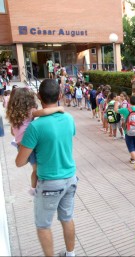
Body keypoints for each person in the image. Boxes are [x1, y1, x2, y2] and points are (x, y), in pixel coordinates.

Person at [15, 79, 78, 257]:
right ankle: (70, 254)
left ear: (39, 96)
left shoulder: (35, 127)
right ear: (59, 96)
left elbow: (20, 162)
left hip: (50, 182)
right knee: (67, 218)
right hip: (70, 179)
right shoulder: (69, 118)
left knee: (43, 225)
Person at [7, 87, 64, 195]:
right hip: (28, 145)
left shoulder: (15, 114)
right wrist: (58, 108)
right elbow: (45, 111)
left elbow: (12, 131)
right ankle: (33, 189)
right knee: (36, 169)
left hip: (19, 144)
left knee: (34, 167)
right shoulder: (30, 112)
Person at [116, 95, 135, 170]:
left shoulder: (126, 110)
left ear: (129, 101)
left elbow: (116, 110)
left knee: (130, 147)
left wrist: (116, 103)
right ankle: (132, 159)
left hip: (128, 131)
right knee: (134, 145)